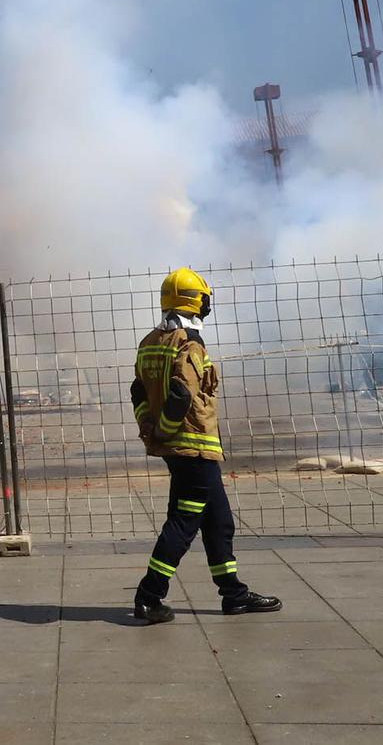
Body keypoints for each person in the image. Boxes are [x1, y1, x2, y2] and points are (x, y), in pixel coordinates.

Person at [129, 267, 282, 624]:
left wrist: (149, 427)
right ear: (194, 300)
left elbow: (137, 390)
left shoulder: (150, 341)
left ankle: (234, 594)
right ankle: (149, 595)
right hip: (193, 450)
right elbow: (182, 394)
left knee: (219, 521)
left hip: (183, 451)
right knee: (183, 522)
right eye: (203, 297)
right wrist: (166, 429)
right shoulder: (189, 343)